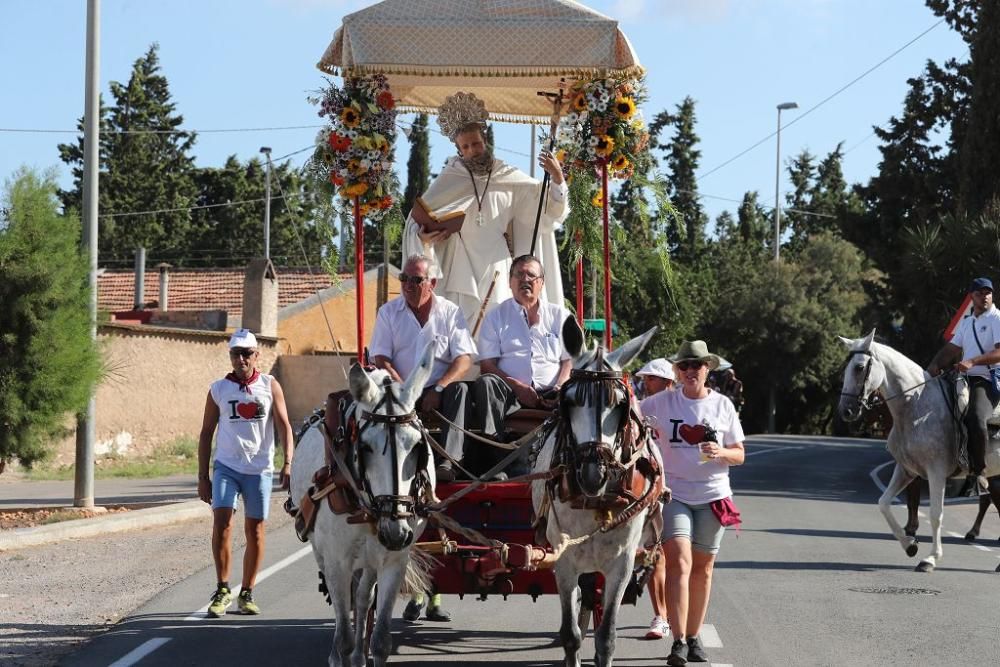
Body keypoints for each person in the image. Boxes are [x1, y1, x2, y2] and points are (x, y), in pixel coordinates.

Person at [370, 254, 477, 624]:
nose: (410, 286)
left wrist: (440, 385)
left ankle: (447, 459)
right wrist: (403, 386)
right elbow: (378, 355)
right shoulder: (389, 312)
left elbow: (464, 358)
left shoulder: (450, 312)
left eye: (417, 280)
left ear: (433, 282)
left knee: (462, 390)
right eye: (406, 279)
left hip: (439, 394)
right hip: (398, 393)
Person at [401, 91, 569, 327]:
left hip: (497, 265)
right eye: (466, 147)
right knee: (460, 329)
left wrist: (558, 178)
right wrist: (424, 238)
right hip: (459, 266)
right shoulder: (451, 178)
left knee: (497, 324)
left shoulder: (507, 177)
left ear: (485, 139)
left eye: (476, 144)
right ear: (459, 149)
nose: (472, 151)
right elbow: (414, 222)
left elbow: (544, 208)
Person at [640, 340, 745, 665]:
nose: (689, 371)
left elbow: (740, 454)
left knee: (703, 569)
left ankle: (694, 636)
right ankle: (679, 641)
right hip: (675, 494)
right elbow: (627, 412)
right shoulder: (660, 403)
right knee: (679, 562)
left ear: (707, 369)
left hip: (713, 496)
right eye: (683, 366)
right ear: (676, 371)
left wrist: (721, 452)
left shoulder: (722, 406)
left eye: (695, 365)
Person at [197, 328, 294, 618]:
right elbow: (205, 433)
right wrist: (203, 476)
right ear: (230, 356)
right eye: (235, 354)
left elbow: (285, 426)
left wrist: (287, 462)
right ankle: (223, 588)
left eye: (246, 353)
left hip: (259, 468)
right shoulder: (218, 390)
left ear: (256, 355)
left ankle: (247, 592)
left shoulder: (269, 384)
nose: (241, 359)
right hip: (227, 466)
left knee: (255, 530)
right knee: (223, 522)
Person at [474, 254, 572, 475]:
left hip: (553, 394)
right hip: (509, 395)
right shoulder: (496, 316)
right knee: (486, 382)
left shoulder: (560, 315)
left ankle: (577, 467)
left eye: (531, 275)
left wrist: (559, 387)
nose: (525, 279)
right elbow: (487, 365)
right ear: (510, 282)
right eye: (519, 274)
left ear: (541, 283)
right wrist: (518, 387)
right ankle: (496, 461)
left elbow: (570, 360)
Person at [927, 277, 1000, 496]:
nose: (985, 296)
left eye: (988, 292)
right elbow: (951, 349)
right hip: (963, 378)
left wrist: (972, 361)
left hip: (987, 379)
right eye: (980, 293)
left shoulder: (997, 319)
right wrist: (933, 365)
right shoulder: (967, 323)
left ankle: (978, 472)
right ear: (972, 297)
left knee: (976, 416)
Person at [632, 357, 675, 639]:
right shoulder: (643, 408)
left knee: (684, 561)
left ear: (668, 382)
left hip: (684, 489)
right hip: (653, 488)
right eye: (645, 378)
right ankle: (661, 616)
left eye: (652, 379)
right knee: (654, 552)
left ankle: (677, 616)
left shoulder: (686, 406)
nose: (646, 382)